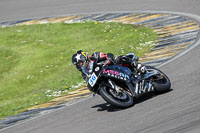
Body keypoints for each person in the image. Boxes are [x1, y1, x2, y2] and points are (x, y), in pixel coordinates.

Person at [72, 50, 146, 80]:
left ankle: (137, 65)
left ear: (83, 58)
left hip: (112, 67)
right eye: (77, 64)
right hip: (106, 77)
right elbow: (88, 81)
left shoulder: (94, 56)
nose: (79, 65)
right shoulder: (84, 73)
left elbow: (108, 55)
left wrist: (108, 60)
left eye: (80, 62)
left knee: (119, 59)